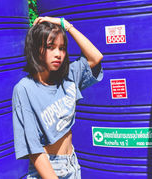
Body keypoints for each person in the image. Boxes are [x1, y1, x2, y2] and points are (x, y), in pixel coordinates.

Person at [12, 16, 103, 179]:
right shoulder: (24, 89)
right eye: (50, 47)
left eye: (62, 48)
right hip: (48, 169)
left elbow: (95, 57)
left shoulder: (68, 76)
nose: (58, 54)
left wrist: (66, 25)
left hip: (72, 164)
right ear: (36, 49)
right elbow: (33, 147)